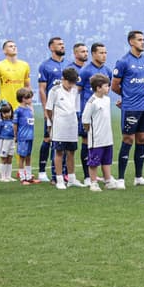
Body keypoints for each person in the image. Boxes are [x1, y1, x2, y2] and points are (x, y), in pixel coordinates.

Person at [111, 30, 144, 188]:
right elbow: (114, 85)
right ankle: (121, 179)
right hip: (130, 108)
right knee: (128, 140)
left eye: (143, 39)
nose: (143, 42)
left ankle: (138, 177)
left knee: (142, 140)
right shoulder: (123, 62)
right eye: (140, 40)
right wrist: (126, 96)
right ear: (131, 42)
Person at [78, 42, 113, 182]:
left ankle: (106, 177)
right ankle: (88, 176)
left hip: (102, 112)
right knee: (87, 142)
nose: (104, 55)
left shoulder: (107, 71)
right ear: (93, 54)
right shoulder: (85, 71)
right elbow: (77, 91)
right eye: (101, 53)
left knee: (104, 144)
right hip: (90, 112)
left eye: (105, 53)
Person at [47, 67, 85, 189]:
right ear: (63, 79)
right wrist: (52, 123)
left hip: (72, 125)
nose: (71, 85)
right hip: (59, 125)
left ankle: (72, 179)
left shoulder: (75, 91)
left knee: (71, 152)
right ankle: (59, 179)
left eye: (73, 82)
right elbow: (48, 109)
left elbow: (76, 108)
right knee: (59, 152)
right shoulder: (55, 91)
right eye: (69, 82)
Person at [81, 74, 119, 191]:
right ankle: (93, 182)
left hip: (107, 137)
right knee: (94, 161)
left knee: (107, 160)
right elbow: (85, 119)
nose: (108, 88)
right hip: (96, 138)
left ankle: (108, 180)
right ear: (98, 88)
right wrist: (90, 131)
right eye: (106, 86)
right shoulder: (92, 102)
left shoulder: (107, 100)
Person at [37, 37, 67, 183]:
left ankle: (62, 173)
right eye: (59, 44)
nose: (62, 46)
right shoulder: (45, 66)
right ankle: (42, 171)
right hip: (52, 110)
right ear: (51, 47)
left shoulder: (69, 65)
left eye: (63, 44)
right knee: (48, 139)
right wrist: (45, 109)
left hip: (66, 111)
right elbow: (42, 90)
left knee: (64, 140)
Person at [66, 42, 91, 184]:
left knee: (89, 142)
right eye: (82, 51)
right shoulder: (71, 69)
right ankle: (65, 174)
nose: (85, 54)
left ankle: (89, 173)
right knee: (69, 144)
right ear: (75, 53)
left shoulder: (89, 69)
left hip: (88, 111)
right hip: (75, 111)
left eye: (87, 51)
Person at [0, 40, 31, 111]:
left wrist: (30, 104)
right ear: (4, 51)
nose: (14, 48)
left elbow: (27, 86)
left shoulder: (25, 65)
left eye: (15, 46)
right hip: (5, 106)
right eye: (11, 46)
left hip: (21, 106)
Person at [13, 87, 36, 185]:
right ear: (23, 98)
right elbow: (15, 124)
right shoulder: (18, 110)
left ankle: (29, 176)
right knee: (22, 157)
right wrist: (15, 135)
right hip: (23, 137)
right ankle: (23, 178)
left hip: (30, 136)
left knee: (28, 156)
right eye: (29, 98)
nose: (31, 99)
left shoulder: (29, 109)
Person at [0, 100, 16, 182]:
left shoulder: (13, 121)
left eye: (8, 112)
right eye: (4, 113)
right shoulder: (1, 122)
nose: (7, 114)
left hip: (11, 141)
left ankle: (8, 176)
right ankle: (3, 176)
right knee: (3, 158)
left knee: (10, 158)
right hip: (4, 141)